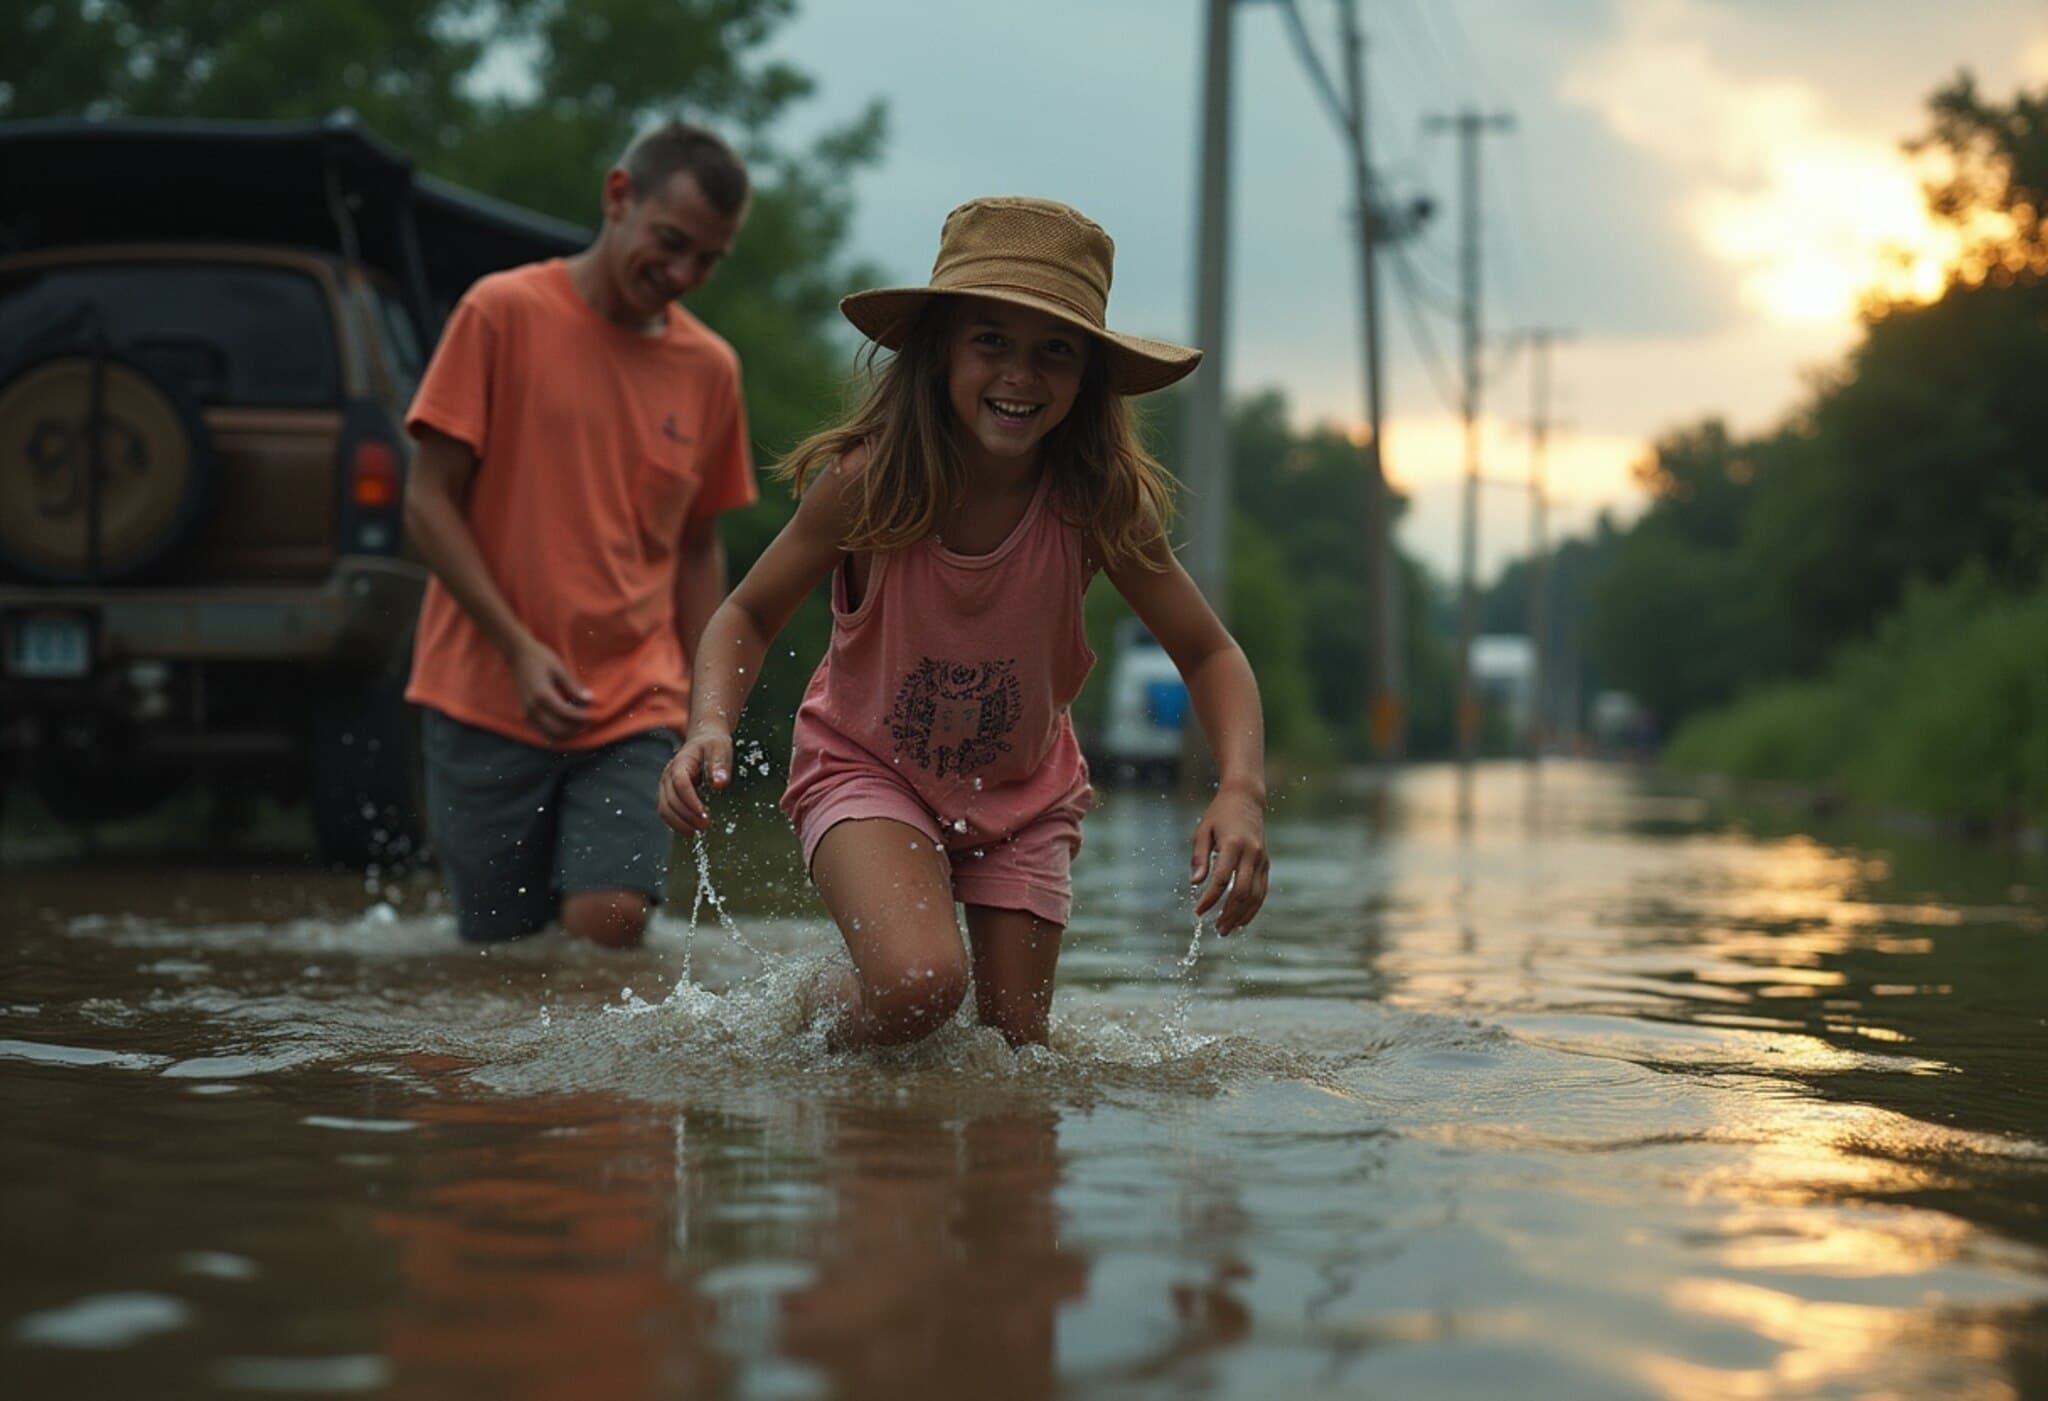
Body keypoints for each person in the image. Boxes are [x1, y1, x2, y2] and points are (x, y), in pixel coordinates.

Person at [658, 196, 1269, 1049]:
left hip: (1023, 798)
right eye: (992, 342)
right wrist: (708, 725)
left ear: (1087, 377)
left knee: (1013, 1049)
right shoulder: (871, 482)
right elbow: (747, 612)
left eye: (1054, 352)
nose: (1020, 375)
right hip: (865, 768)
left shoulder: (1096, 503)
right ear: (941, 351)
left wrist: (1240, 790)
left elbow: (1209, 653)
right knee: (920, 986)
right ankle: (802, 1023)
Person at [402, 121, 758, 948]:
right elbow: (426, 501)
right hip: (482, 691)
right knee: (497, 953)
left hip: (635, 698)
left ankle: (601, 1090)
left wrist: (708, 712)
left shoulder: (712, 370)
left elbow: (700, 548)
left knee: (611, 921)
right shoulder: (500, 313)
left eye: (707, 259)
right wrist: (518, 648)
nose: (682, 275)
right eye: (671, 244)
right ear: (617, 197)